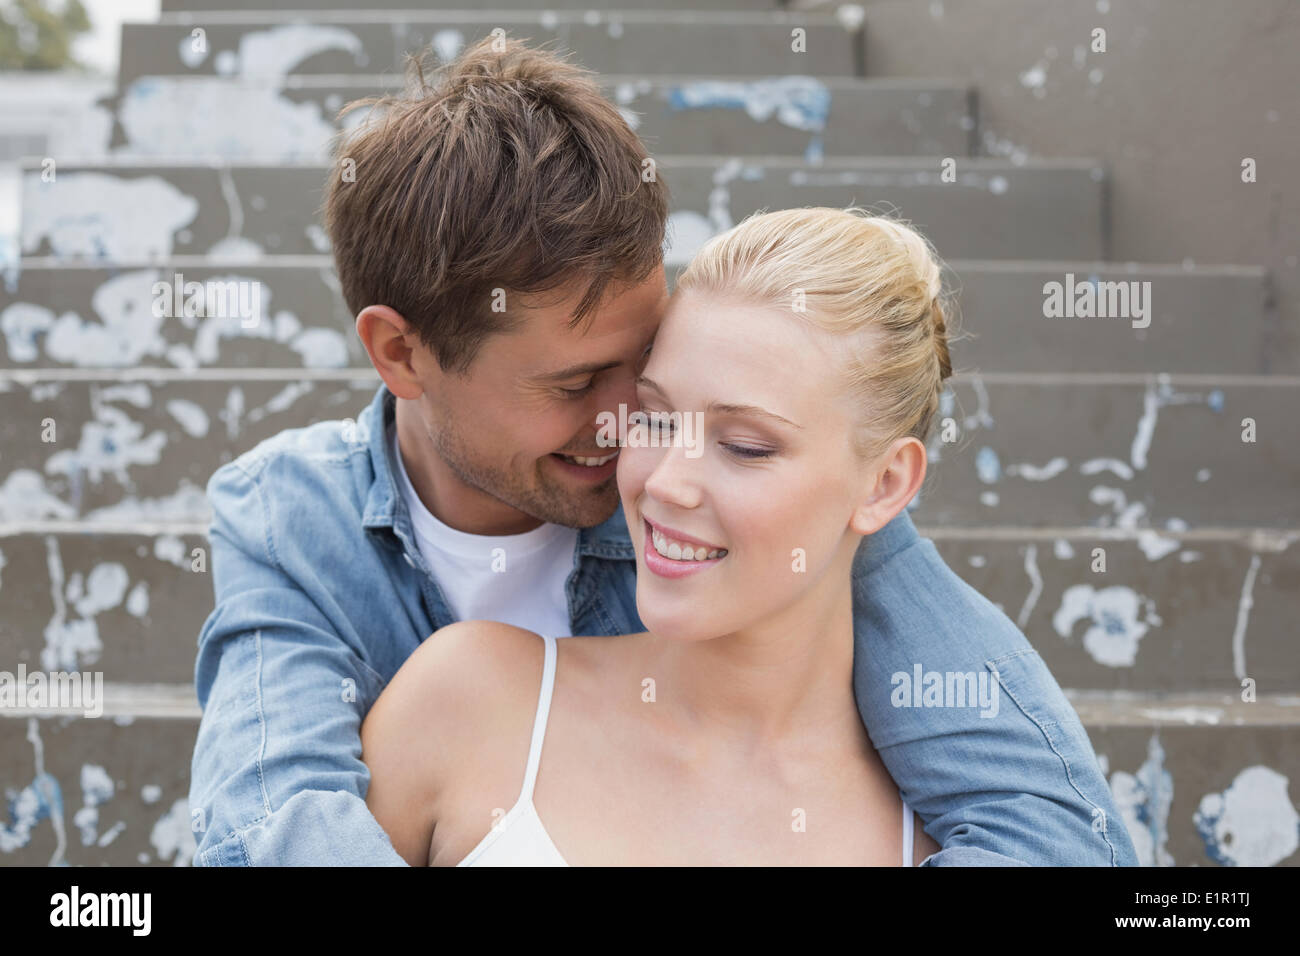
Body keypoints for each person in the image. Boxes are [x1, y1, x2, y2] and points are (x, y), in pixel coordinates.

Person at [189, 37, 1136, 867]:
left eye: (643, 370)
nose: (633, 435)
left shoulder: (797, 532)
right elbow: (270, 830)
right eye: (574, 386)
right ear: (402, 354)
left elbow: (1059, 834)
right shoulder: (293, 517)